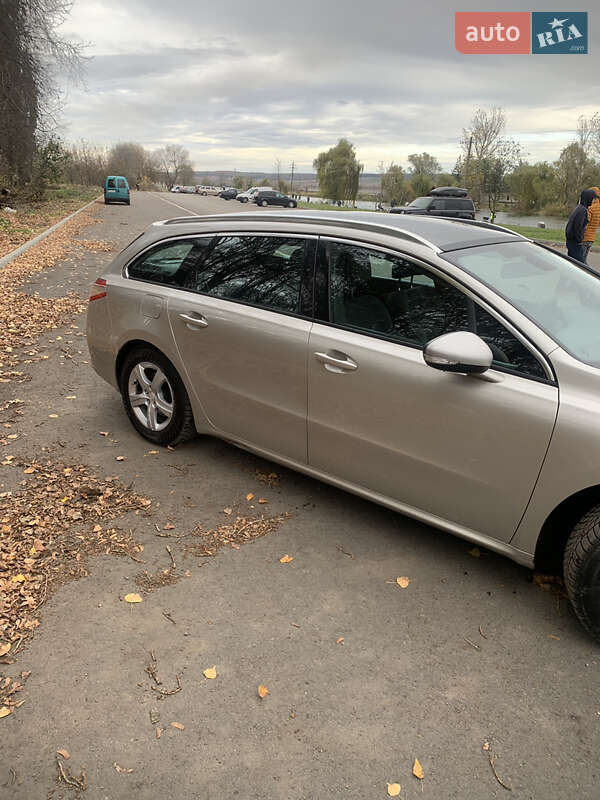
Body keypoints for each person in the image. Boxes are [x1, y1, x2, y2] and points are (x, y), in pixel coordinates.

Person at [565, 189, 597, 263]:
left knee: (572, 264)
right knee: (582, 266)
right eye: (592, 199)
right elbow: (578, 227)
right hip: (575, 243)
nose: (593, 201)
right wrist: (579, 240)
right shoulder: (583, 211)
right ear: (588, 198)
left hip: (571, 241)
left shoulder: (579, 208)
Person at [583, 186, 600, 263]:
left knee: (580, 261)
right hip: (592, 238)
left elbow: (585, 223)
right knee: (584, 259)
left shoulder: (590, 208)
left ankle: (588, 273)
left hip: (585, 237)